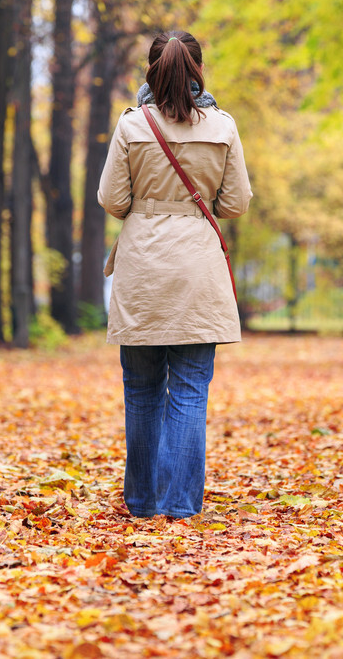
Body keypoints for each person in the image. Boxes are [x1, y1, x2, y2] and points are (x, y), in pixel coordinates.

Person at [97, 31, 252, 520]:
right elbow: (235, 203)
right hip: (197, 271)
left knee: (142, 389)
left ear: (151, 72)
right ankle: (180, 506)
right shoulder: (223, 127)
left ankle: (141, 502)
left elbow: (113, 201)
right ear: (198, 73)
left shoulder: (131, 126)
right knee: (189, 387)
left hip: (143, 268)